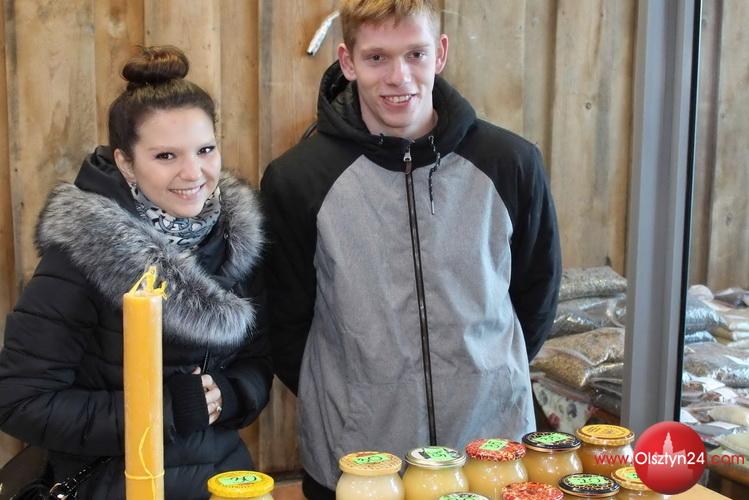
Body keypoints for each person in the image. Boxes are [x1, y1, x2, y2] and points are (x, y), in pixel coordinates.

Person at [261, 0, 562, 497]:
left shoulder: (511, 163)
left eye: (415, 54)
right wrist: (355, 394)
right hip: (358, 459)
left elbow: (537, 293)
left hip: (490, 451)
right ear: (347, 61)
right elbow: (284, 321)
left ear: (440, 53)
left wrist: (480, 374)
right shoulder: (297, 180)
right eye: (377, 57)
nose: (398, 77)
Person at [0, 46, 271, 500]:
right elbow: (20, 400)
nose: (193, 173)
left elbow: (259, 362)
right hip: (117, 484)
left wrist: (228, 393)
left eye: (205, 150)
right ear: (125, 162)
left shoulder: (232, 241)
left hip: (226, 482)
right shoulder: (82, 254)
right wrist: (163, 411)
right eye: (166, 156)